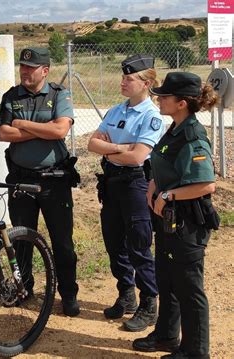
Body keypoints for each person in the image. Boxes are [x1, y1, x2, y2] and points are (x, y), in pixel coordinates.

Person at [133, 72, 219, 359]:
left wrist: (168, 195)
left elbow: (206, 184)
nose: (159, 99)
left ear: (181, 103)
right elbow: (165, 163)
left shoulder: (193, 135)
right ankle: (167, 335)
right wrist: (155, 185)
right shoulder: (174, 129)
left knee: (188, 286)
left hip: (187, 221)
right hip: (168, 218)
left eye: (165, 96)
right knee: (167, 278)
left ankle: (195, 351)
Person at [0, 47, 80, 316]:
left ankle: (68, 294)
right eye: (22, 67)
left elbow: (60, 129)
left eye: (30, 68)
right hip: (21, 180)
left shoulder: (58, 94)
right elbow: (3, 133)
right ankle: (24, 287)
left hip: (54, 180)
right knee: (21, 238)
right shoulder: (11, 96)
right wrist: (42, 130)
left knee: (62, 242)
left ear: (45, 70)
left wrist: (24, 124)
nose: (24, 72)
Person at [87, 54, 164, 331]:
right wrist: (122, 148)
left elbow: (138, 158)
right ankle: (126, 295)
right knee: (114, 243)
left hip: (135, 184)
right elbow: (91, 143)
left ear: (146, 83)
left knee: (139, 245)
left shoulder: (152, 117)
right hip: (111, 183)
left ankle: (148, 304)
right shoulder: (116, 111)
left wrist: (117, 150)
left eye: (129, 79)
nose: (123, 82)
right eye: (123, 77)